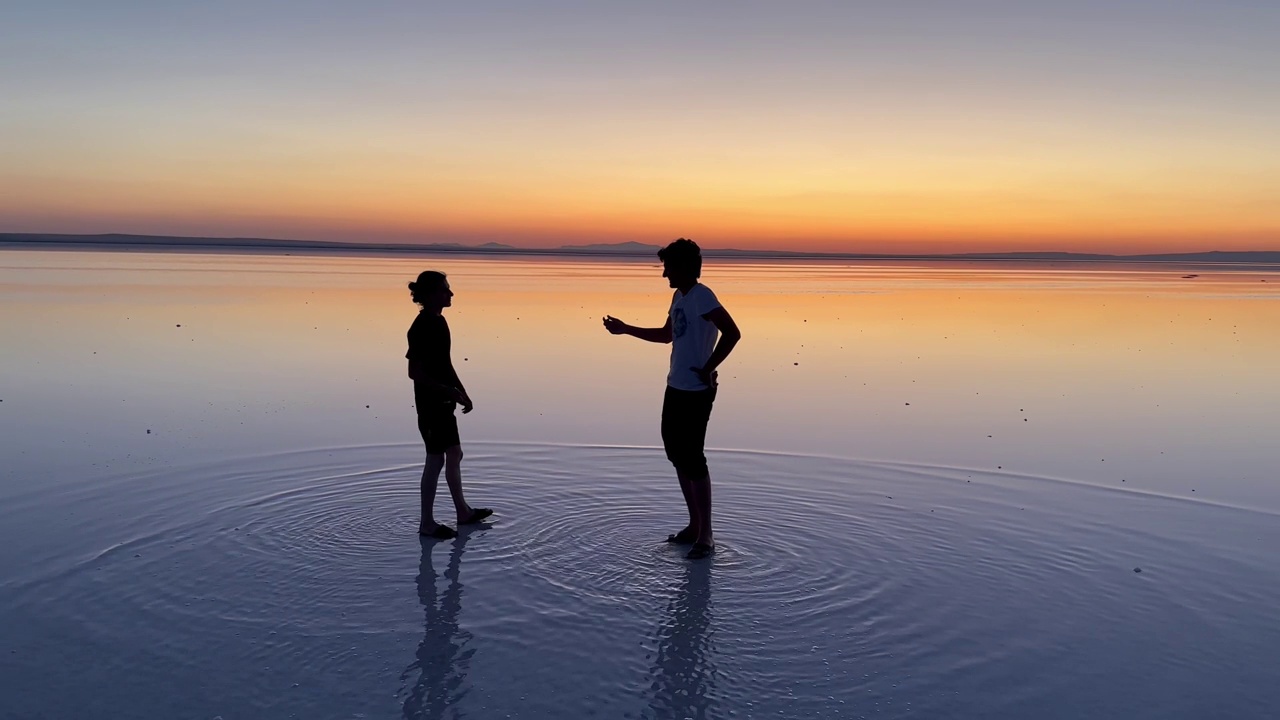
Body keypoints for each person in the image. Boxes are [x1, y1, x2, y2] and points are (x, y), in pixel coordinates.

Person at [603, 239, 741, 559]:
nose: (664, 274)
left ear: (684, 268)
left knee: (693, 458)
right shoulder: (679, 297)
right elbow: (668, 335)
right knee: (677, 455)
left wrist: (709, 368)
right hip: (674, 387)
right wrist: (626, 329)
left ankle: (706, 535)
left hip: (695, 391)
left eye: (668, 267)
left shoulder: (702, 296)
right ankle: (694, 525)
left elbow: (732, 332)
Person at [406, 270, 492, 539]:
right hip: (431, 405)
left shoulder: (440, 322)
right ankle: (427, 523)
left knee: (454, 453)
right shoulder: (420, 327)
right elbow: (415, 373)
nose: (451, 293)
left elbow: (445, 363)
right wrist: (447, 391)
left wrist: (461, 390)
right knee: (435, 459)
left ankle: (462, 512)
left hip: (445, 402)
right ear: (430, 295)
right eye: (445, 289)